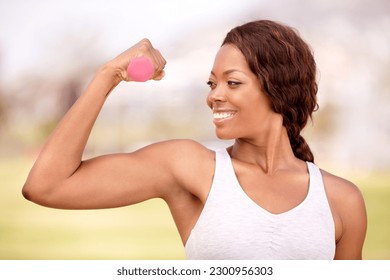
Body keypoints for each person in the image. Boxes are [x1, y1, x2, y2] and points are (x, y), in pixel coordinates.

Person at [22, 20, 367, 259]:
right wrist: (108, 75)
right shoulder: (191, 167)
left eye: (232, 83)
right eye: (211, 84)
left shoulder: (342, 200)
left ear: (278, 88)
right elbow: (46, 186)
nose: (214, 96)